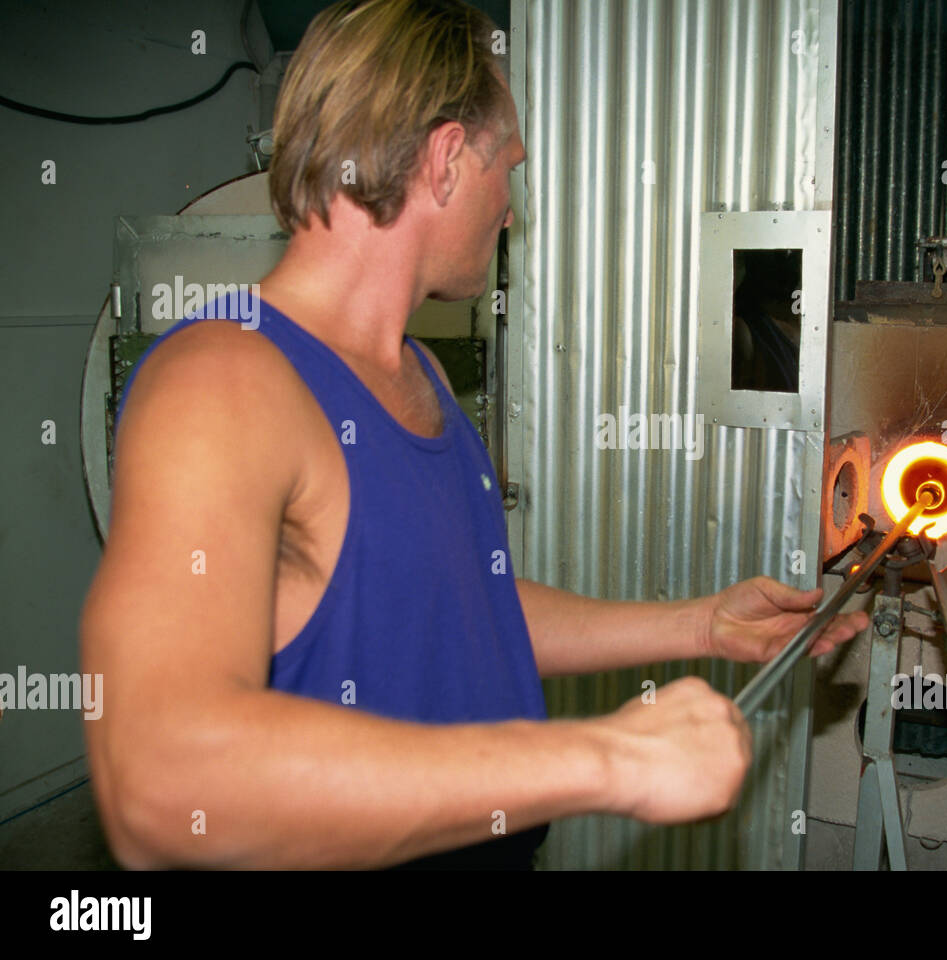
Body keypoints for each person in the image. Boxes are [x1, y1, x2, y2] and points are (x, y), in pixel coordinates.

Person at [79, 0, 867, 869]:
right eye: (509, 171)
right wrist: (611, 756)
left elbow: (461, 609)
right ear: (449, 159)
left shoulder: (424, 375)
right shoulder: (222, 382)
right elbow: (160, 779)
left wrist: (703, 626)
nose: (509, 213)